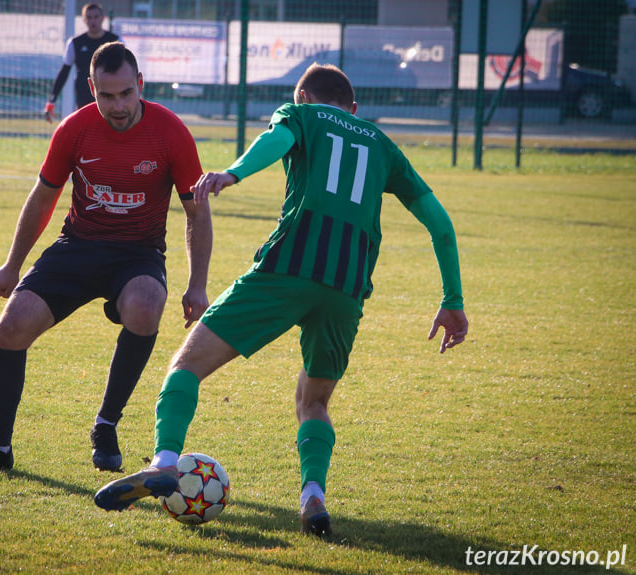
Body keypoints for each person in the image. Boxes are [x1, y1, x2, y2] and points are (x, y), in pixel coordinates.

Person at [94, 63, 469, 536]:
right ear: (352, 109)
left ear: (302, 96)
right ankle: (313, 497)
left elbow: (276, 142)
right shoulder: (380, 142)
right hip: (346, 288)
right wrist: (451, 298)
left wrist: (234, 173)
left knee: (185, 366)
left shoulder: (301, 115)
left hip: (287, 271)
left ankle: (164, 462)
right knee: (314, 403)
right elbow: (440, 223)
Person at [0, 42, 212, 474]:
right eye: (107, 95)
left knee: (146, 306)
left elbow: (196, 214)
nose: (118, 106)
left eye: (127, 93)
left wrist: (198, 284)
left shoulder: (170, 132)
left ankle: (106, 424)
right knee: (11, 325)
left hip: (137, 255)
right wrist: (12, 264)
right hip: (78, 247)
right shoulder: (74, 130)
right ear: (91, 88)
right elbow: (42, 199)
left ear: (140, 85)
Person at [44, 3, 121, 121]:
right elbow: (64, 72)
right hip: (83, 98)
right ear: (84, 20)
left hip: (109, 97)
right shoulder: (75, 43)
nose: (93, 21)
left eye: (96, 17)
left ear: (102, 18)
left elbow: (125, 71)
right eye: (89, 17)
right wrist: (52, 100)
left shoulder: (116, 41)